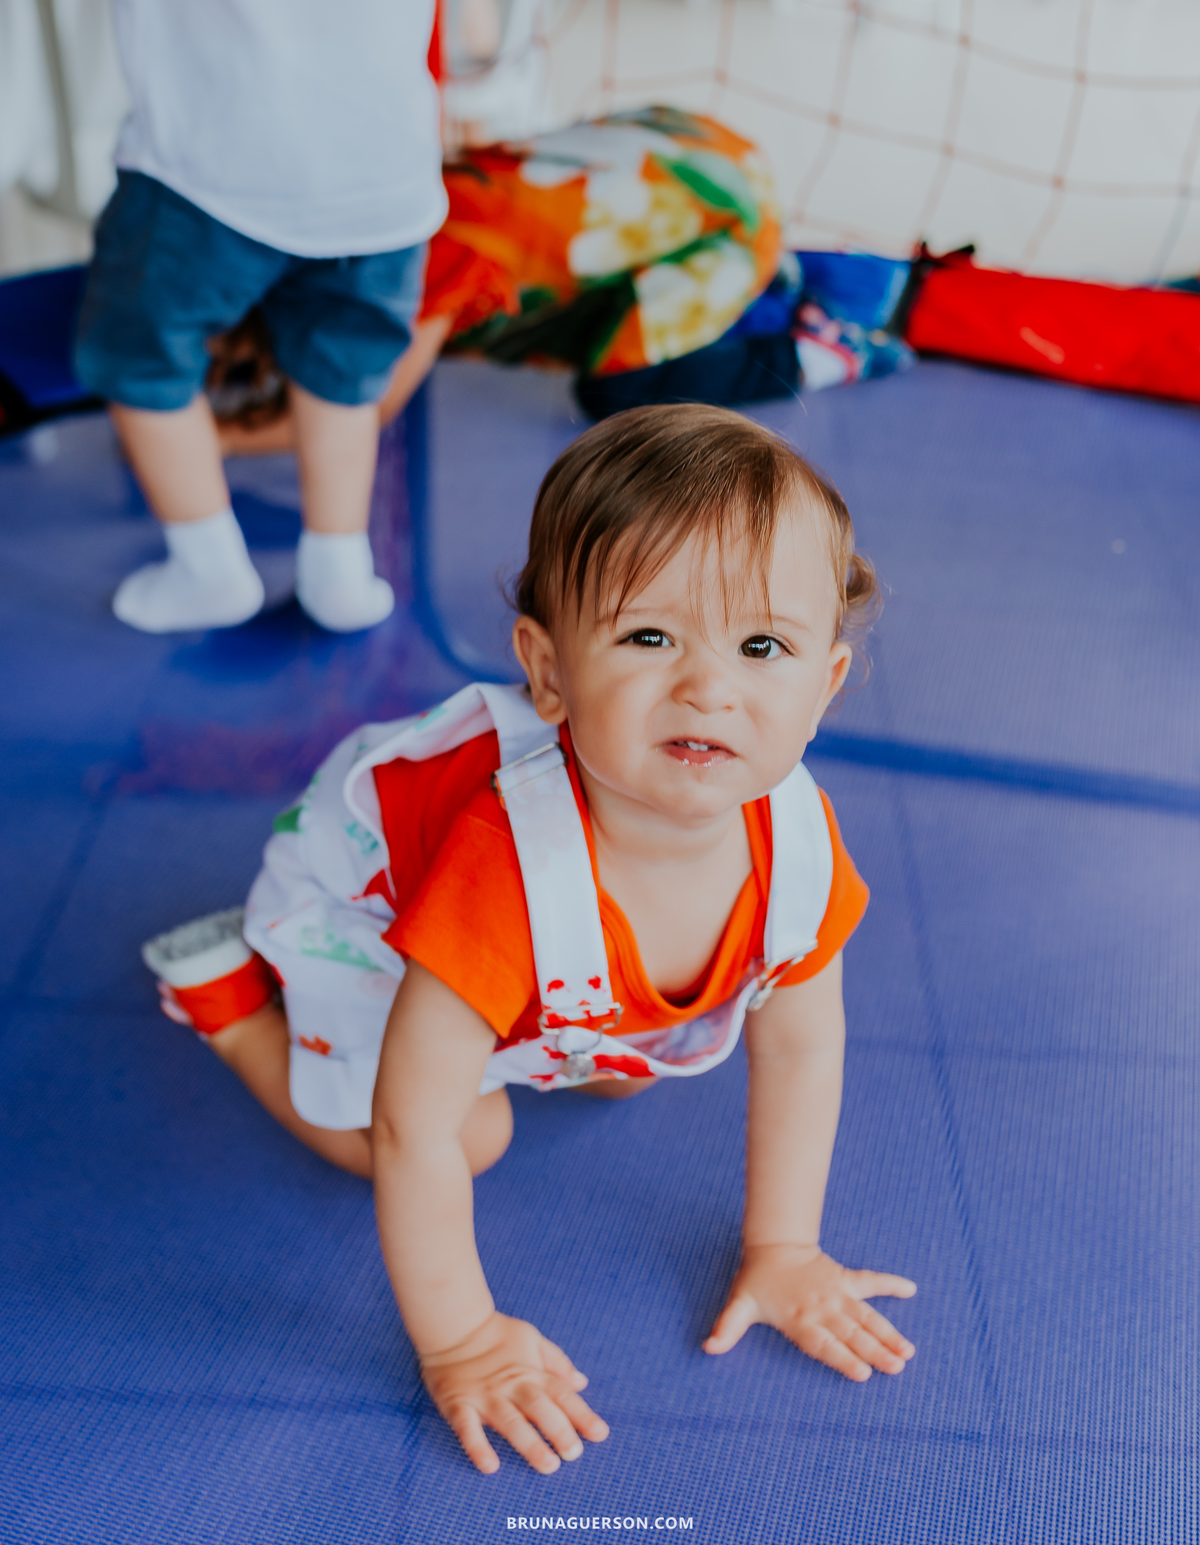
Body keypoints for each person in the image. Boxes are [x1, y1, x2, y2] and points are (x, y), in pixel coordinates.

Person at [143, 405, 918, 1475]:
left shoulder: (793, 833)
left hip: (528, 959)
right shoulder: (503, 873)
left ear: (822, 686)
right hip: (363, 910)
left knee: (639, 1069)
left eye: (762, 645)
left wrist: (783, 1250)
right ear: (547, 671)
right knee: (471, 1136)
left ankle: (553, 1022)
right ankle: (229, 1005)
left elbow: (801, 1039)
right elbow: (411, 1128)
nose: (710, 685)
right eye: (649, 636)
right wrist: (460, 1341)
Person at [0, 0, 446, 633]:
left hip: (219, 154)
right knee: (342, 364)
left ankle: (207, 563)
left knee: (138, 354)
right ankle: (339, 566)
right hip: (386, 146)